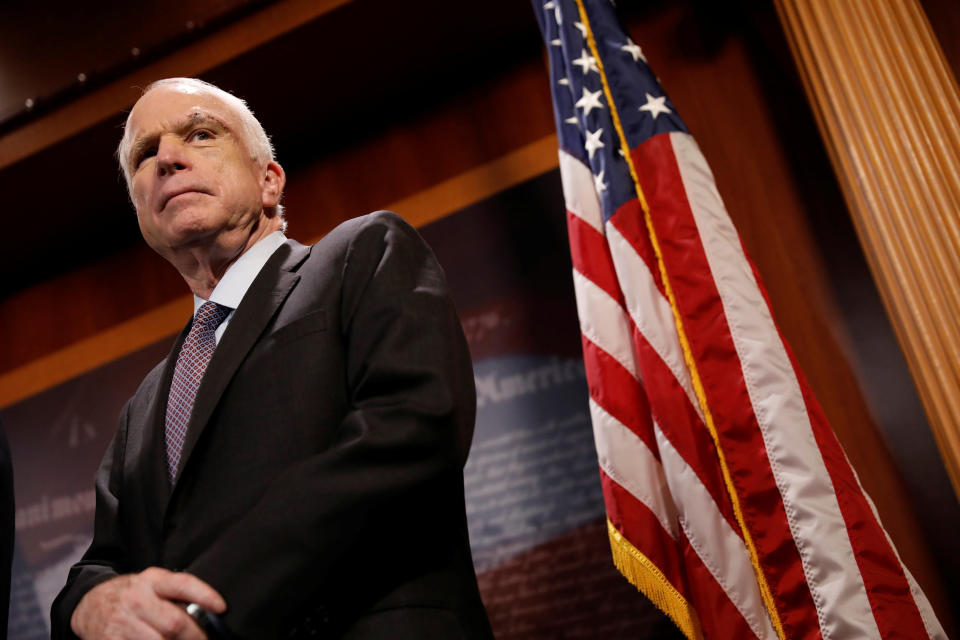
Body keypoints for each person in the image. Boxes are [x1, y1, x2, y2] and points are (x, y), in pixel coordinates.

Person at [50, 78, 493, 639]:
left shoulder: (362, 255)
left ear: (268, 180)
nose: (166, 158)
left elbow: (412, 430)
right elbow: (103, 558)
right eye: (145, 153)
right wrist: (87, 606)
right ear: (141, 213)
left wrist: (207, 604)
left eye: (200, 133)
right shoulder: (143, 407)